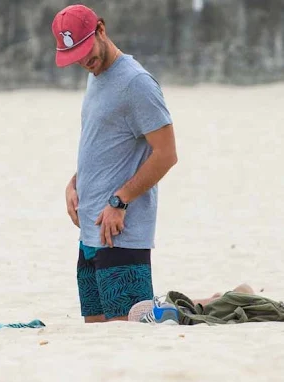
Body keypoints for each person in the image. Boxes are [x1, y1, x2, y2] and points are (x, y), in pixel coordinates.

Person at [51, 5, 178, 323]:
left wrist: (120, 200)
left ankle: (207, 305)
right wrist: (75, 181)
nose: (83, 60)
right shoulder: (97, 78)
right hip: (90, 235)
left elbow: (166, 154)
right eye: (74, 55)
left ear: (101, 30)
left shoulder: (136, 83)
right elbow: (106, 146)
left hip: (121, 232)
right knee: (96, 331)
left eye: (84, 49)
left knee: (132, 328)